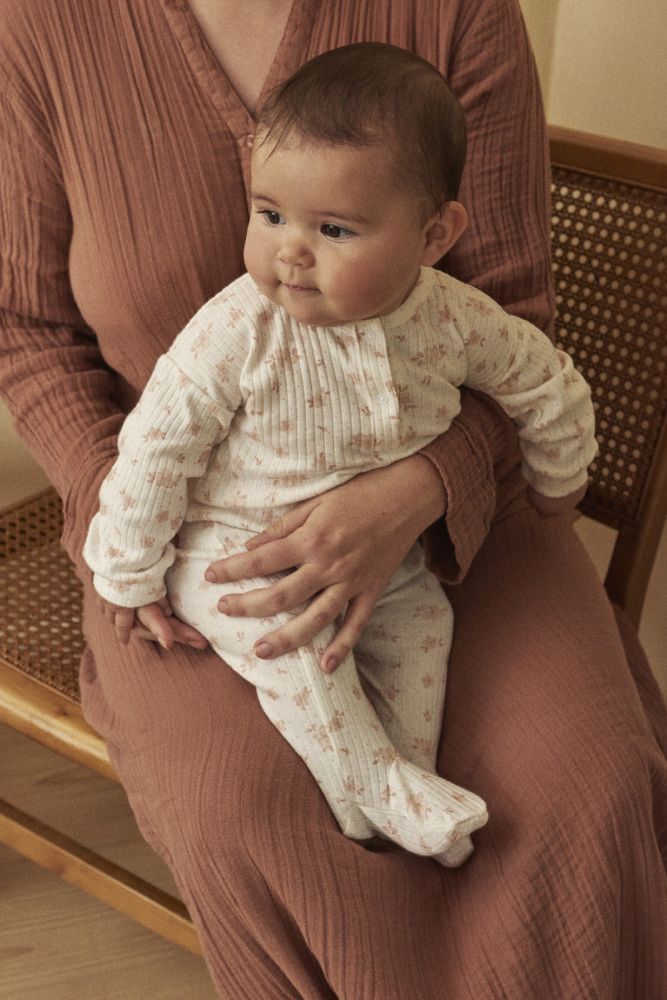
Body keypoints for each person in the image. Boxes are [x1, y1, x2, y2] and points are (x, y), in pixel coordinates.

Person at [0, 1, 665, 996]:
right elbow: (28, 331)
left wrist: (423, 489)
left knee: (585, 784)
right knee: (247, 810)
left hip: (458, 505)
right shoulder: (39, 25)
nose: (287, 249)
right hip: (198, 536)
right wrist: (133, 532)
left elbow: (518, 336)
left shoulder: (459, 14)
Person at [82, 43, 596, 870]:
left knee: (423, 630)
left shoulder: (455, 320)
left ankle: (397, 786)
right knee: (293, 651)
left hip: (391, 557)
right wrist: (126, 575)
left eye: (333, 229)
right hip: (232, 552)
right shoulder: (234, 331)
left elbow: (544, 381)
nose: (290, 251)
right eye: (269, 215)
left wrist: (558, 480)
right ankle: (383, 790)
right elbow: (154, 453)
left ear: (433, 235)